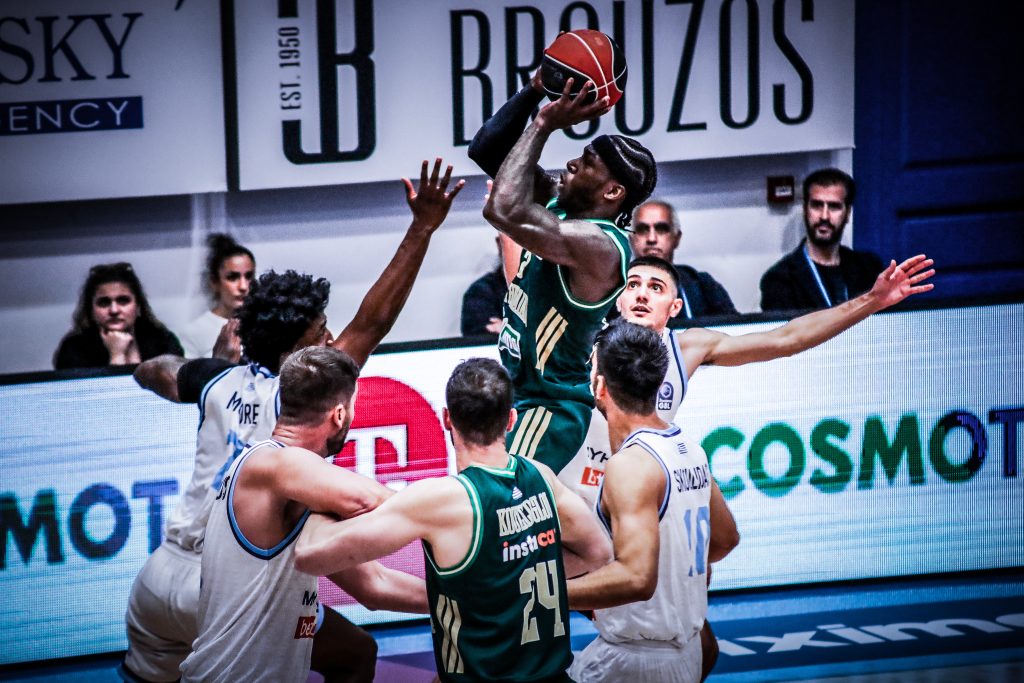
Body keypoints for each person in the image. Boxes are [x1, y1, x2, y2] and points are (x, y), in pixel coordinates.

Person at [123, 158, 463, 683]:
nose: (330, 339)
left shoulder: (215, 380)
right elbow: (374, 321)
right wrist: (421, 229)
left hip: (158, 578)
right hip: (220, 582)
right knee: (354, 655)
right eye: (321, 331)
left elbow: (154, 371)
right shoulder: (307, 388)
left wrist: (197, 364)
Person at [558, 252, 934, 680]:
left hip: (643, 496)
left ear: (674, 307)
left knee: (699, 643)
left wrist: (872, 300)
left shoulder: (686, 349)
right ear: (618, 299)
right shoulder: (585, 348)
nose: (642, 293)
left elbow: (786, 338)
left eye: (655, 287)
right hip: (585, 510)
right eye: (633, 284)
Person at [294, 358, 612, 683]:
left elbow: (310, 556)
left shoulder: (442, 499)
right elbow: (599, 553)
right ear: (511, 419)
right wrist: (508, 579)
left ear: (447, 418)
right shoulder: (541, 476)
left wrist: (312, 488)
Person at [180, 346, 428, 683]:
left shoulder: (294, 489)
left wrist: (465, 601)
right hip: (231, 677)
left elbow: (375, 586)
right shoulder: (276, 462)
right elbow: (368, 499)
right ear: (339, 415)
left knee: (356, 653)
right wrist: (454, 514)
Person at [469, 71, 656, 472]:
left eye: (586, 163)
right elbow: (486, 150)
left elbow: (500, 210)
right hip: (516, 394)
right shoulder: (559, 203)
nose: (571, 162)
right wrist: (535, 90)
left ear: (612, 191)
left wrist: (544, 123)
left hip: (548, 407)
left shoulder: (601, 246)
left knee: (499, 500)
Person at [567, 320, 739, 683]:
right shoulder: (690, 447)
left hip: (636, 660)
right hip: (683, 651)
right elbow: (726, 539)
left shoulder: (630, 464)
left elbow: (637, 578)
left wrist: (543, 595)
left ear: (600, 387)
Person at [760, 168, 885, 312]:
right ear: (805, 209)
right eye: (817, 205)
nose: (824, 216)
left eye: (834, 206)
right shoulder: (779, 280)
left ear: (848, 213)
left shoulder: (869, 269)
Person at [54, 262, 183, 369]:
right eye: (104, 302)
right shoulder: (74, 348)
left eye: (123, 301)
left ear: (138, 305)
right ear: (91, 309)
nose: (114, 310)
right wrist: (117, 355)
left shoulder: (162, 340)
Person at [629, 199, 738, 322]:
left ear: (676, 238)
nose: (652, 238)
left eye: (661, 229)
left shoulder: (701, 284)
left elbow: (734, 328)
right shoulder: (615, 287)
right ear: (631, 239)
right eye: (642, 230)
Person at [178, 233, 255, 360]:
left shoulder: (263, 326)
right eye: (232, 277)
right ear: (215, 282)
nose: (243, 286)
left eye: (249, 276)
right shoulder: (195, 332)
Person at [460, 237, 507, 336]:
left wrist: (509, 331)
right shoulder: (480, 292)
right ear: (499, 244)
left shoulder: (541, 290)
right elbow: (484, 334)